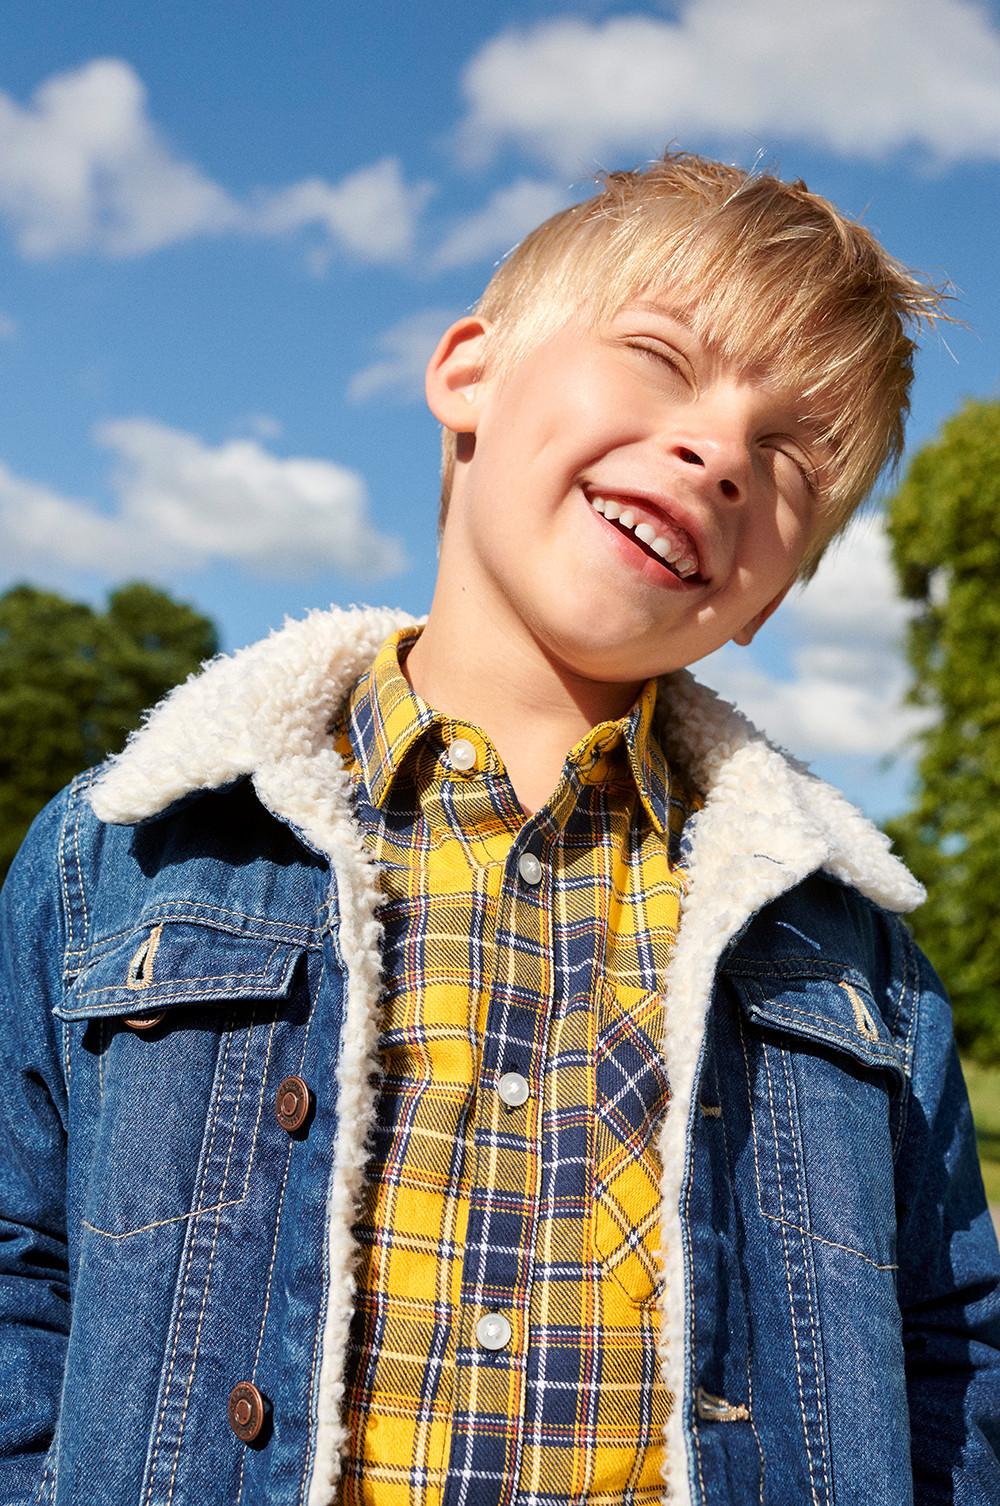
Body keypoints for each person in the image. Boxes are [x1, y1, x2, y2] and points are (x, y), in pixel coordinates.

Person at [1, 151, 997, 1506]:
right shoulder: (122, 858)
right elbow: (21, 1264)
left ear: (772, 594)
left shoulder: (849, 956)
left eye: (789, 466)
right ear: (468, 372)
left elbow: (953, 1348)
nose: (717, 456)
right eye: (660, 357)